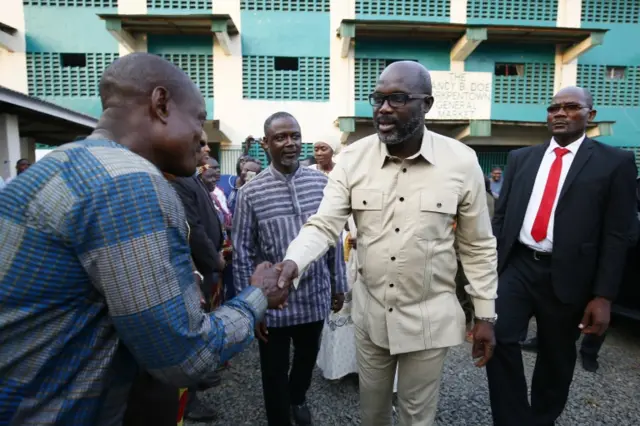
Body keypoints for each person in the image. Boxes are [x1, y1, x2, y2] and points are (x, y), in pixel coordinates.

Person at [0, 52, 290, 425]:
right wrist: (259, 296)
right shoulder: (130, 184)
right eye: (198, 119)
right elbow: (185, 355)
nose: (202, 136)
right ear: (161, 104)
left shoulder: (62, 163)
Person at [273, 61, 498, 426]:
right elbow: (324, 223)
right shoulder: (352, 159)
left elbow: (477, 245)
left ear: (427, 104)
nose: (383, 108)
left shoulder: (461, 161)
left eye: (397, 98)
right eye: (377, 98)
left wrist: (485, 314)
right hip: (371, 315)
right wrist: (292, 263)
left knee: (415, 416)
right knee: (373, 413)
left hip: (429, 317)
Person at [487, 86, 638, 426]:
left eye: (571, 107)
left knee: (555, 357)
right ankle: (513, 420)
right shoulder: (520, 159)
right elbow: (502, 217)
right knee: (499, 338)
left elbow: (618, 233)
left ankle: (541, 419)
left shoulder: (615, 162)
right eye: (553, 107)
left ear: (590, 115)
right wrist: (492, 269)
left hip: (570, 274)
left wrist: (604, 296)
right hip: (519, 265)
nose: (559, 113)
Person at [233, 111, 348, 426]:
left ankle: (298, 397)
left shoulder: (321, 183)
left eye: (295, 136)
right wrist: (250, 306)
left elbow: (333, 238)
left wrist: (339, 284)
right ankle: (278, 418)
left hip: (315, 295)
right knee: (273, 369)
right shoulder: (249, 194)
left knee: (306, 360)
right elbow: (243, 252)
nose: (290, 143)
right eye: (281, 137)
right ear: (266, 143)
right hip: (272, 302)